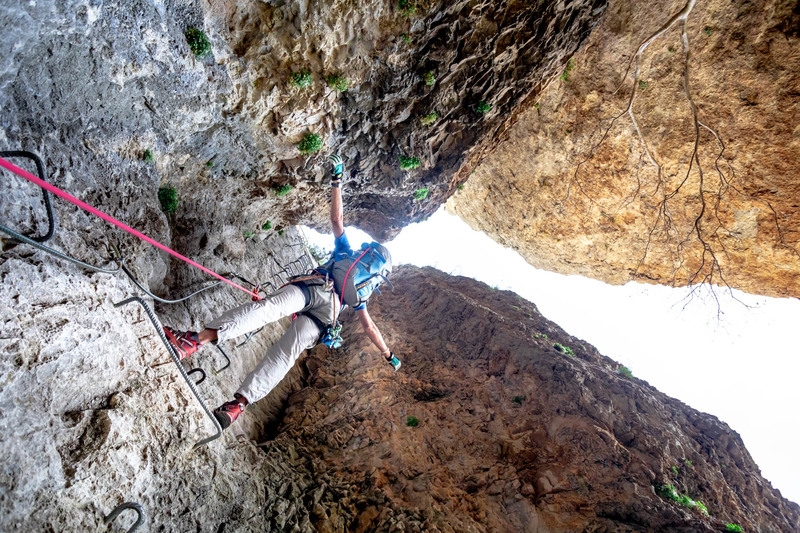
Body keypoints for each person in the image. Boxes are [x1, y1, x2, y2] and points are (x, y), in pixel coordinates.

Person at [163, 155, 400, 430]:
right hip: (329, 315)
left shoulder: (347, 253)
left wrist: (336, 181)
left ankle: (192, 342)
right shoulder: (364, 290)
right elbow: (369, 327)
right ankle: (237, 406)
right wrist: (388, 354)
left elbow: (336, 220)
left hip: (314, 287)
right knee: (284, 356)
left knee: (267, 310)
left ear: (367, 253)